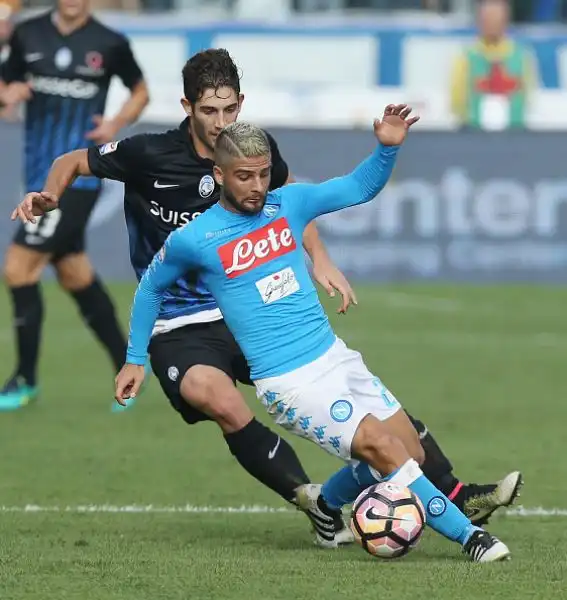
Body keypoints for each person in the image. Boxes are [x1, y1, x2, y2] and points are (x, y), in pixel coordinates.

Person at [11, 49, 520, 539]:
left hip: (247, 316)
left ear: (242, 104)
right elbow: (73, 160)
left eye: (230, 108)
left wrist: (317, 256)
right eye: (209, 110)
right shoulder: (149, 154)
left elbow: (290, 202)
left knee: (355, 393)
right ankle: (310, 500)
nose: (220, 120)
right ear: (188, 108)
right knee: (220, 400)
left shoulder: (251, 151)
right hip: (178, 325)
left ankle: (453, 491)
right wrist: (51, 193)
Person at [116, 110, 515, 561]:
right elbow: (151, 288)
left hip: (335, 358)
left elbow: (356, 187)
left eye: (264, 174)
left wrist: (387, 147)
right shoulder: (196, 238)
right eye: (244, 176)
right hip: (288, 383)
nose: (256, 186)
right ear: (219, 174)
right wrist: (135, 357)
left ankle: (326, 504)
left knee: (411, 453)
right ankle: (471, 539)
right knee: (385, 451)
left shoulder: (289, 205)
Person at [0, 0, 149, 411]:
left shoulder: (110, 42)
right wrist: (7, 94)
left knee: (18, 266)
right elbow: (6, 87)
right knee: (74, 273)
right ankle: (128, 364)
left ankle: (25, 380)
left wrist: (115, 125)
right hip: (35, 177)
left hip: (77, 181)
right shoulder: (28, 34)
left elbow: (141, 91)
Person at [449, 0, 538, 130]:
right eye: (487, 18)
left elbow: (529, 97)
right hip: (474, 134)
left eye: (496, 18)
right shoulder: (465, 57)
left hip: (515, 134)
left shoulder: (522, 57)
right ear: (479, 21)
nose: (491, 22)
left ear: (505, 20)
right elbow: (457, 101)